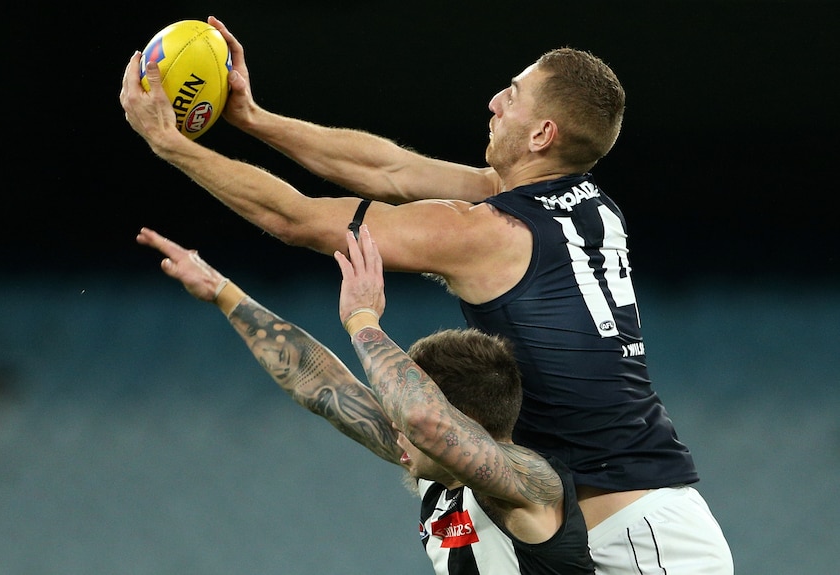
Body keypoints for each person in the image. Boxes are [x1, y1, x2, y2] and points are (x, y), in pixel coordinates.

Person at [121, 16, 733, 573]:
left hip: (632, 542)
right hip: (636, 515)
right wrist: (253, 119)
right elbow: (392, 169)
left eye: (513, 93)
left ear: (544, 134)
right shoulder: (586, 206)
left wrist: (171, 145)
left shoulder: (490, 233)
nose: (494, 101)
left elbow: (297, 219)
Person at [137, 224, 595, 575]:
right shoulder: (439, 476)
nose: (393, 426)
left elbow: (422, 421)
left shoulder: (531, 484)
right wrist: (222, 292)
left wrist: (362, 319)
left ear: (463, 420)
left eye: (401, 417)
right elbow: (321, 385)